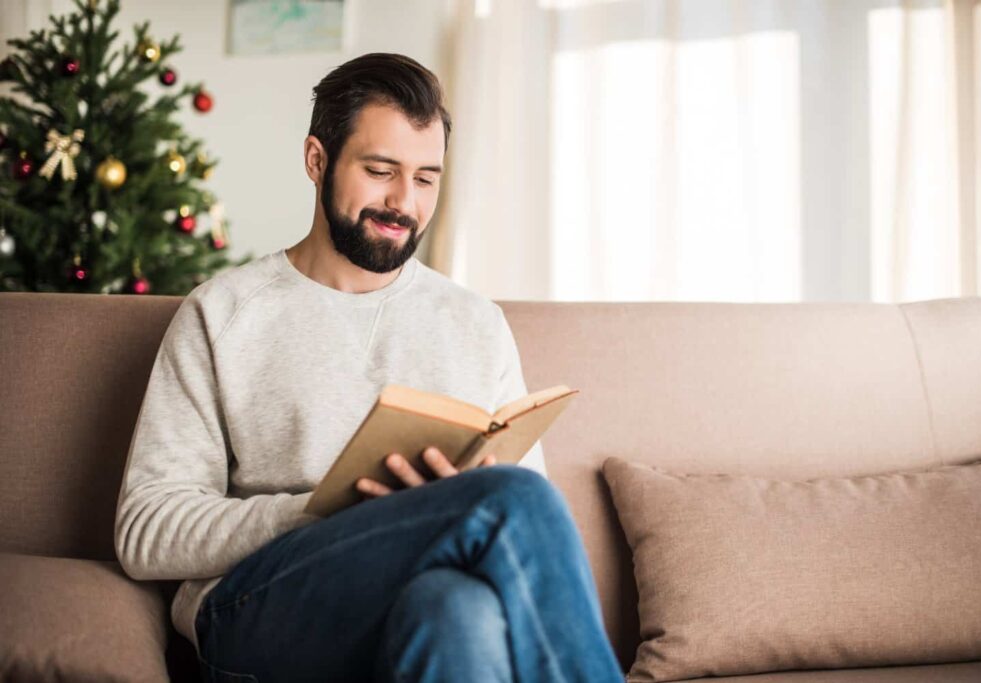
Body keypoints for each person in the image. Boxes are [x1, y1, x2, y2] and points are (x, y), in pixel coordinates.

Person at [114, 52, 623, 683]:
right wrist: (317, 510)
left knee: (455, 610)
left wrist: (447, 501)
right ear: (316, 160)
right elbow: (145, 531)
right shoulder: (222, 313)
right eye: (380, 171)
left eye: (427, 179)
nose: (403, 202)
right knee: (512, 501)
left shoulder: (475, 322)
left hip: (413, 594)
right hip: (253, 609)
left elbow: (521, 526)